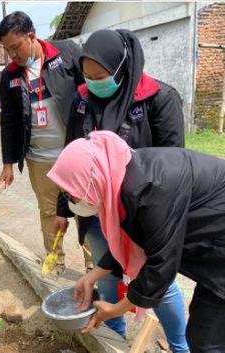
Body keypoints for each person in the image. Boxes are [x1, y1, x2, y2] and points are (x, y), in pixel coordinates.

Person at [56, 29, 188, 351]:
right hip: (99, 210)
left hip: (146, 211)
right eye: (86, 76)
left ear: (121, 68)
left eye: (99, 76)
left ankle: (179, 344)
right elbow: (72, 154)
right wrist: (64, 207)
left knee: (159, 280)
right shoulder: (83, 99)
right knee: (110, 272)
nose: (92, 83)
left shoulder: (159, 99)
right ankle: (112, 335)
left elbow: (174, 168)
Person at [47, 130, 225, 353]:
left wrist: (115, 309)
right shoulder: (123, 175)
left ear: (93, 180)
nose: (70, 201)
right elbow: (133, 240)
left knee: (207, 342)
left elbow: (161, 266)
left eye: (70, 194)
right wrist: (92, 275)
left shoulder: (148, 190)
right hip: (213, 242)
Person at [0, 11, 92, 275]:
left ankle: (94, 264)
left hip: (75, 156)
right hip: (39, 159)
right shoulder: (10, 76)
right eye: (7, 50)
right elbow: (10, 122)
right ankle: (56, 260)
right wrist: (7, 163)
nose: (13, 55)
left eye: (16, 47)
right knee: (49, 212)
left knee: (86, 209)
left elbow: (90, 96)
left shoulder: (67, 54)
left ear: (31, 36)